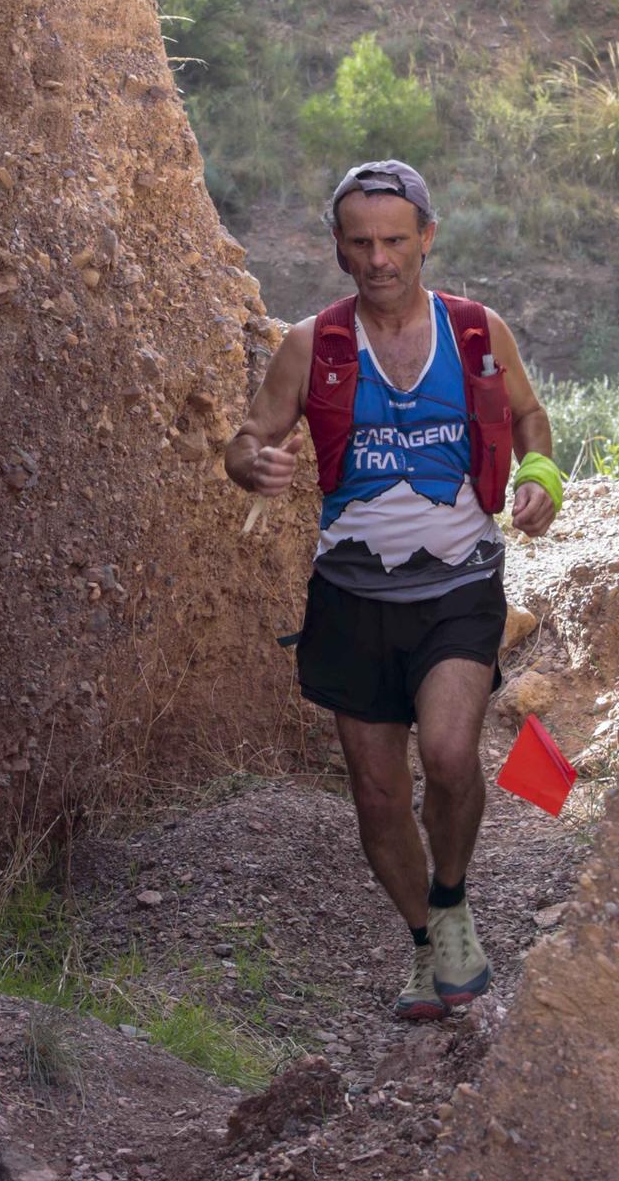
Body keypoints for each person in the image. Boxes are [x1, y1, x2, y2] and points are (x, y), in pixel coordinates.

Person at [225, 159, 562, 1021]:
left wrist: (540, 473)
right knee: (376, 793)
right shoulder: (312, 343)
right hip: (350, 597)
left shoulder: (478, 331)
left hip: (459, 586)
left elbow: (527, 417)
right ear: (338, 248)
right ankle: (424, 942)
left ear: (426, 239)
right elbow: (249, 437)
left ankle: (450, 899)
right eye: (361, 242)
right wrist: (249, 464)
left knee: (449, 756)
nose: (379, 259)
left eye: (395, 241)